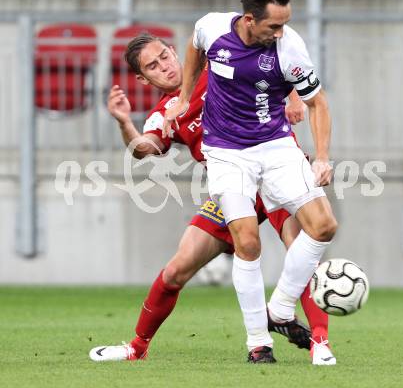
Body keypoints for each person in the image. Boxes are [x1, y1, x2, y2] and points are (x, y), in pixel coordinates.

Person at [89, 33, 334, 365]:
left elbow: (274, 63)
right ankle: (137, 347)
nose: (165, 66)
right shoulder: (166, 113)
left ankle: (320, 342)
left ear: (175, 52)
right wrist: (124, 124)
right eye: (153, 66)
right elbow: (143, 148)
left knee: (301, 249)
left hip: (275, 169)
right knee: (177, 269)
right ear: (142, 79)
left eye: (164, 56)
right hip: (232, 184)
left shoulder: (220, 64)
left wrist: (292, 96)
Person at [163, 0, 338, 365]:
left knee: (324, 226)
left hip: (275, 145)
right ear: (248, 19)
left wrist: (322, 156)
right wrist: (184, 97)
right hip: (226, 152)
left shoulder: (289, 48)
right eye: (274, 25)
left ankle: (281, 308)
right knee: (248, 241)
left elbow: (318, 103)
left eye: (285, 23)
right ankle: (258, 341)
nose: (281, 31)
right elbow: (195, 48)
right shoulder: (212, 27)